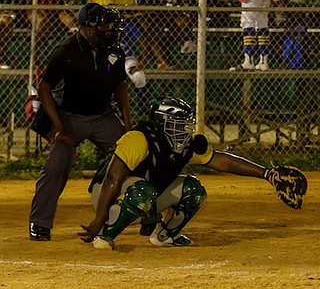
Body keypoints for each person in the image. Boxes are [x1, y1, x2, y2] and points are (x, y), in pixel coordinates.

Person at [78, 97, 307, 249]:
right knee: (142, 191)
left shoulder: (185, 145)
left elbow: (223, 162)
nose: (184, 130)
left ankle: (165, 236)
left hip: (143, 194)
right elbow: (112, 179)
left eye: (185, 125)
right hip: (106, 196)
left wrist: (267, 174)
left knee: (193, 189)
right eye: (178, 125)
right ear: (162, 124)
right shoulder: (139, 138)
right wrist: (99, 218)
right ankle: (106, 234)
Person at [29, 3, 131, 241]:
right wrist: (60, 127)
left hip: (104, 115)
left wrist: (127, 125)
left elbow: (120, 87)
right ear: (86, 28)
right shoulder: (66, 50)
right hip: (69, 117)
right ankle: (39, 223)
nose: (108, 29)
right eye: (102, 25)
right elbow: (45, 89)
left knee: (135, 157)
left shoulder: (113, 50)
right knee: (56, 167)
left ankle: (148, 217)